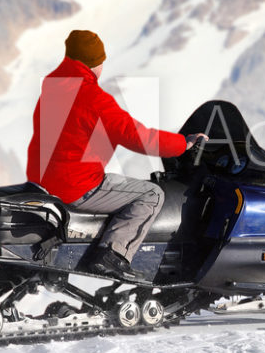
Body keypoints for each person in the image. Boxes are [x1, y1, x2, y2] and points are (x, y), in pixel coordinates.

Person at [26, 29, 207, 281]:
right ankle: (111, 257)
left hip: (44, 181)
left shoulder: (53, 88)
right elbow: (137, 136)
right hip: (76, 186)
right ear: (95, 63)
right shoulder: (92, 97)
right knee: (151, 194)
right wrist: (182, 144)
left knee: (116, 180)